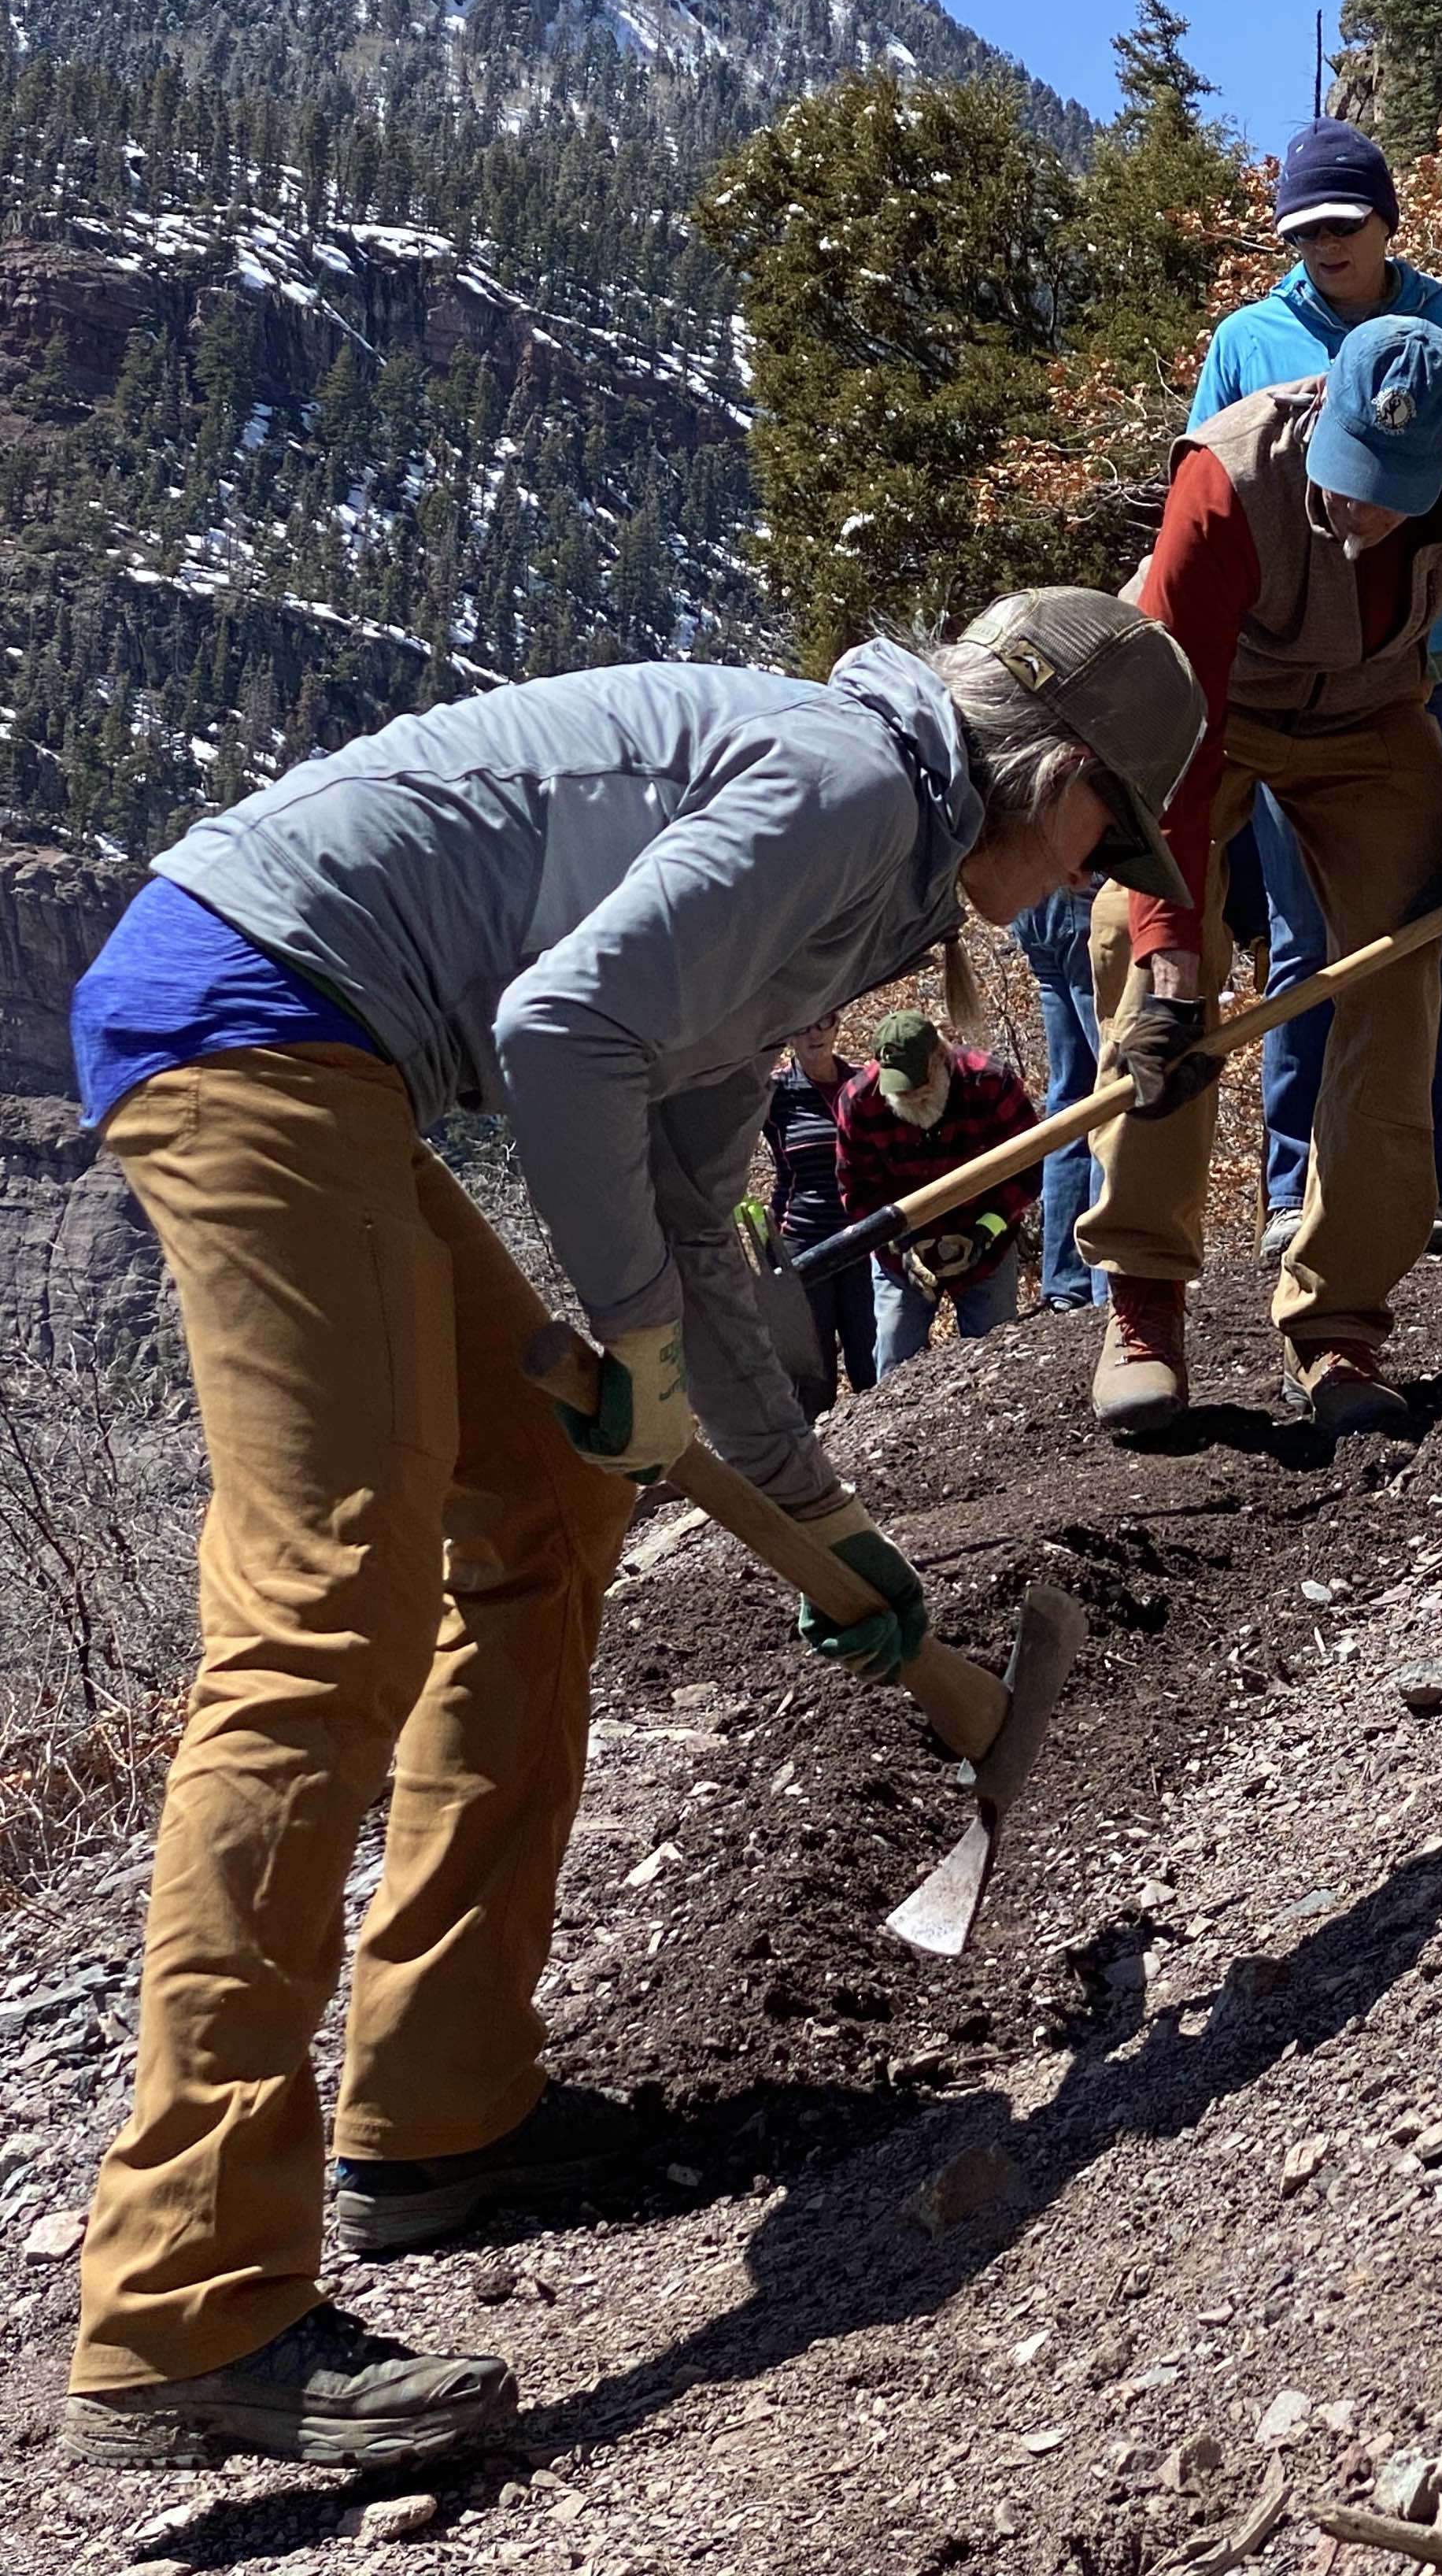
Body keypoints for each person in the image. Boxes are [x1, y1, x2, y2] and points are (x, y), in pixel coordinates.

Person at [56, 587, 1200, 2474]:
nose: (1097, 875)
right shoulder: (847, 790)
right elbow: (564, 1028)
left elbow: (680, 1206)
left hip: (320, 1037)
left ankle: (440, 2112)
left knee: (545, 1494)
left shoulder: (869, 864)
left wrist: (816, 1512)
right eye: (1109, 835)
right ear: (1058, 774)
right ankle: (189, 2299)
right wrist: (644, 1351)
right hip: (256, 1017)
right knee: (324, 1614)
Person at [1080, 311, 1442, 1442]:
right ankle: (1144, 1306)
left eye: (1392, 492)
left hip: (1371, 714)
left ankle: (1338, 1320)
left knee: (1402, 972)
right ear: (1322, 414)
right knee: (1144, 970)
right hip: (1197, 721)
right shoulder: (1225, 480)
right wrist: (1172, 957)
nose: (1362, 511)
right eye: (1350, 477)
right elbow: (1166, 747)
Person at [1190, 117, 1442, 1263]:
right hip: (1287, 682)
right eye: (1302, 232)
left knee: (1417, 926)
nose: (1324, 246)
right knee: (1302, 932)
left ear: (1388, 219)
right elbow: (1205, 503)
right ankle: (1294, 1189)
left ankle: (1415, 1184)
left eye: (1342, 224)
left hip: (1433, 666)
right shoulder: (1247, 340)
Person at [838, 1009, 1038, 1373]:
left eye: (920, 1085)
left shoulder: (990, 1082)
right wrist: (901, 1248)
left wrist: (984, 1233)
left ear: (940, 1057)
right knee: (894, 1357)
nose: (911, 1097)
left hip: (986, 1243)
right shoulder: (859, 1102)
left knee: (996, 1359)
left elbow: (1027, 1168)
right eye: (900, 1089)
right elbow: (857, 1192)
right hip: (901, 1251)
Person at [762, 1016, 875, 1413]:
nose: (815, 1034)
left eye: (824, 1022)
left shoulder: (864, 1081)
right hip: (801, 1240)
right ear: (789, 1036)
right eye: (804, 1026)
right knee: (815, 1374)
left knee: (871, 1357)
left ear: (837, 1025)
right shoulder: (774, 1091)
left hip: (863, 1236)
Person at [1009, 883, 1104, 1308]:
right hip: (1083, 894)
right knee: (1114, 1091)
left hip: (1031, 902)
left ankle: (1067, 1283)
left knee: (1070, 1098)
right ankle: (1108, 1279)